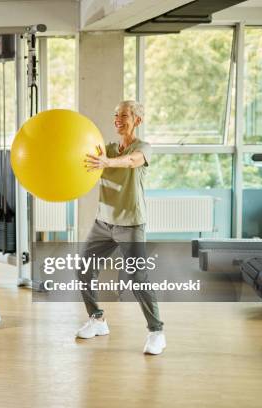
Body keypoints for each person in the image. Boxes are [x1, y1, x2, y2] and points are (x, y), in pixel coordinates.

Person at [78, 100, 166, 355]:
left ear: (137, 120)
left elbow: (132, 161)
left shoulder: (143, 148)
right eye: (115, 115)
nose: (118, 119)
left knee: (138, 279)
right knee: (83, 269)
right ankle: (97, 320)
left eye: (124, 115)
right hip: (103, 223)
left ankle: (156, 332)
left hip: (130, 224)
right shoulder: (105, 149)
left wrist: (107, 163)